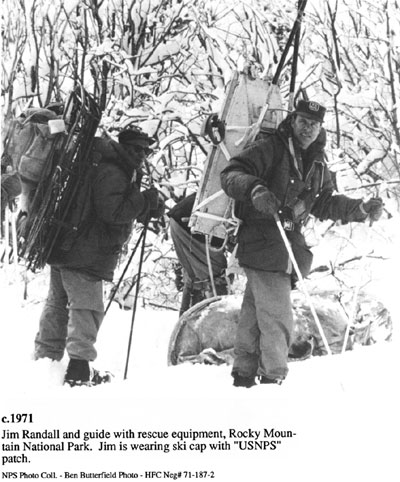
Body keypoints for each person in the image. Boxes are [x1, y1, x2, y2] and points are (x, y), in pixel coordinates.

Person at [220, 99, 383, 388]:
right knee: (278, 316)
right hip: (263, 241)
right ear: (292, 121)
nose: (308, 129)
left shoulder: (318, 163)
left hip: (287, 246)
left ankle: (244, 375)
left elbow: (325, 203)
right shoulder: (271, 148)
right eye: (303, 122)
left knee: (256, 314)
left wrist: (360, 209)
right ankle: (272, 378)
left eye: (314, 124)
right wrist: (256, 189)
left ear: (321, 128)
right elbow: (231, 174)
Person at [34, 127, 165, 387]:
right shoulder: (113, 171)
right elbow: (112, 212)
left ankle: (45, 363)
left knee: (58, 306)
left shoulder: (108, 165)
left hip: (67, 247)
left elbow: (111, 207)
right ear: (124, 146)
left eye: (145, 150)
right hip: (86, 252)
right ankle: (78, 370)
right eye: (137, 148)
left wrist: (145, 203)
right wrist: (145, 200)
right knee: (86, 309)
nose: (141, 154)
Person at [168, 192, 229, 316]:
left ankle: (187, 327)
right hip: (196, 221)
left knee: (197, 276)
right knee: (213, 276)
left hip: (188, 217)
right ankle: (209, 324)